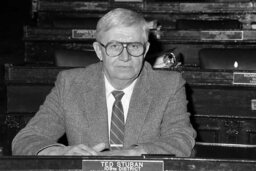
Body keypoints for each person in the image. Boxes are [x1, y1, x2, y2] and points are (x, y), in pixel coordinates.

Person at [12, 8, 196, 157]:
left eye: (134, 46)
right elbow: (26, 140)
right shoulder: (70, 84)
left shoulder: (168, 85)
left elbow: (181, 139)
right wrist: (60, 152)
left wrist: (136, 153)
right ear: (99, 51)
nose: (125, 57)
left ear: (146, 49)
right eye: (114, 46)